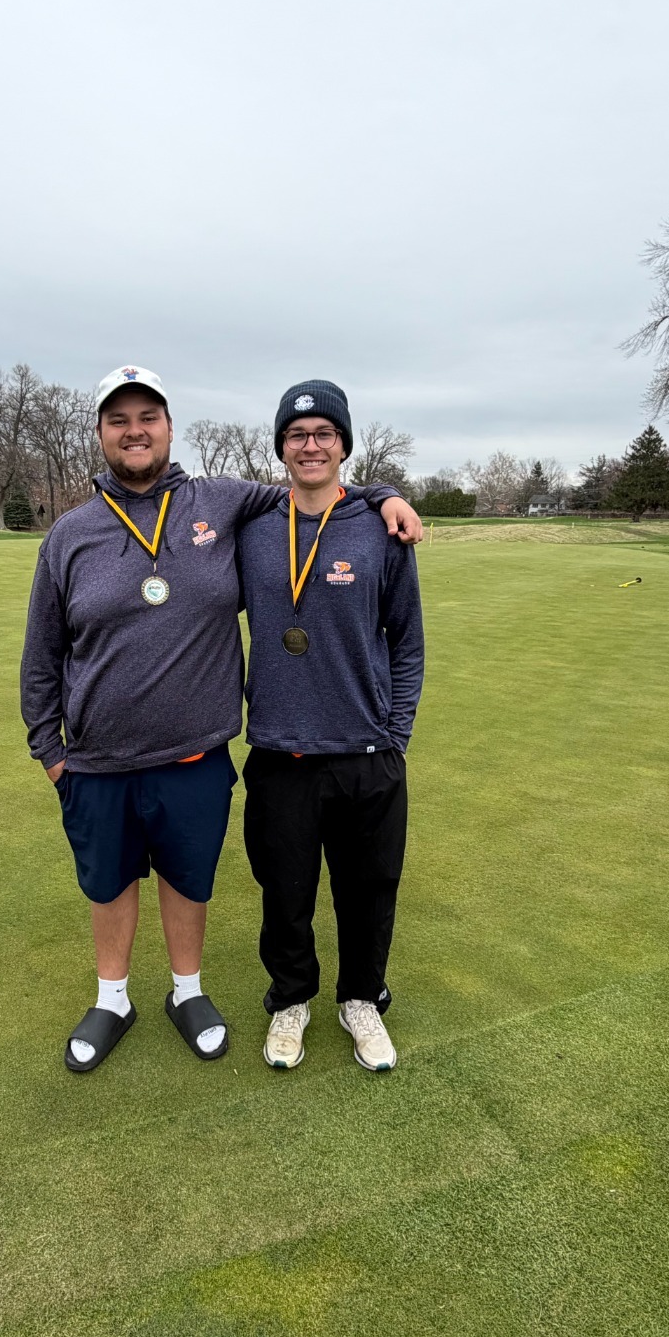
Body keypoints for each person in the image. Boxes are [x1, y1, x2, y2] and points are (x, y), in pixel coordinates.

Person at [20, 366, 423, 1073]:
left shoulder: (239, 503)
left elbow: (335, 511)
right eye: (120, 419)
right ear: (102, 433)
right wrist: (49, 750)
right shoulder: (87, 533)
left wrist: (387, 495)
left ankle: (255, 995)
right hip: (140, 755)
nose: (135, 430)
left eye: (149, 416)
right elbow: (41, 651)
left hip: (258, 753)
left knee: (230, 880)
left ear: (170, 428)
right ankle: (151, 999)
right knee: (148, 884)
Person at [238, 380, 424, 1072]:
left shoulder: (381, 528)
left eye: (323, 433)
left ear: (344, 444)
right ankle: (291, 998)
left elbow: (406, 640)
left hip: (367, 750)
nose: (309, 445)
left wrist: (396, 732)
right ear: (281, 447)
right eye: (296, 435)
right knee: (285, 890)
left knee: (369, 889)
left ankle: (361, 1001)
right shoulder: (253, 527)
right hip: (281, 749)